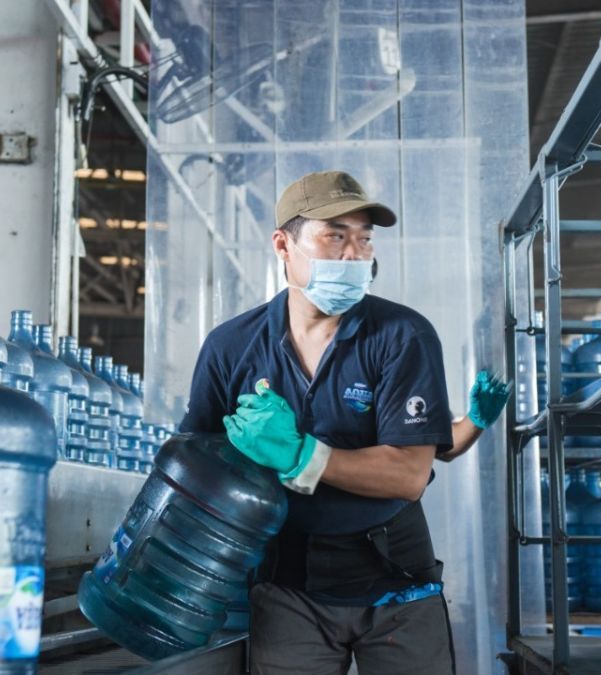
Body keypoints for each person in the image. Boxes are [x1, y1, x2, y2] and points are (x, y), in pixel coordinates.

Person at [179, 170, 509, 674]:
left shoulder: (402, 336)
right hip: (289, 584)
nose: (355, 255)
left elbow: (408, 474)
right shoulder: (232, 347)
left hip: (395, 581)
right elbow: (196, 464)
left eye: (364, 239)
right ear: (283, 245)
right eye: (335, 236)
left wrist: (299, 455)